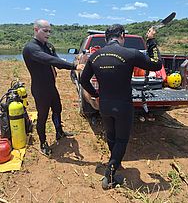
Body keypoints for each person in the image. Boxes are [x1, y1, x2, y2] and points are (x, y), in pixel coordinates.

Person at [80, 24, 162, 189]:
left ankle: (114, 161)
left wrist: (95, 95)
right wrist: (151, 41)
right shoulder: (130, 53)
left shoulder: (95, 56)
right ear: (122, 35)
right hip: (123, 105)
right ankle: (110, 175)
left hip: (104, 105)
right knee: (122, 139)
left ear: (106, 38)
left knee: (111, 136)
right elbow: (156, 64)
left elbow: (83, 81)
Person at [23, 19, 84, 157]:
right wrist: (73, 66)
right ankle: (43, 143)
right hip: (40, 89)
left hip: (51, 86)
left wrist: (74, 61)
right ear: (36, 29)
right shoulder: (31, 48)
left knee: (57, 109)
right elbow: (49, 60)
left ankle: (59, 132)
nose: (48, 33)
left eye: (50, 31)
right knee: (42, 116)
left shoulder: (48, 46)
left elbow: (57, 61)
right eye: (45, 31)